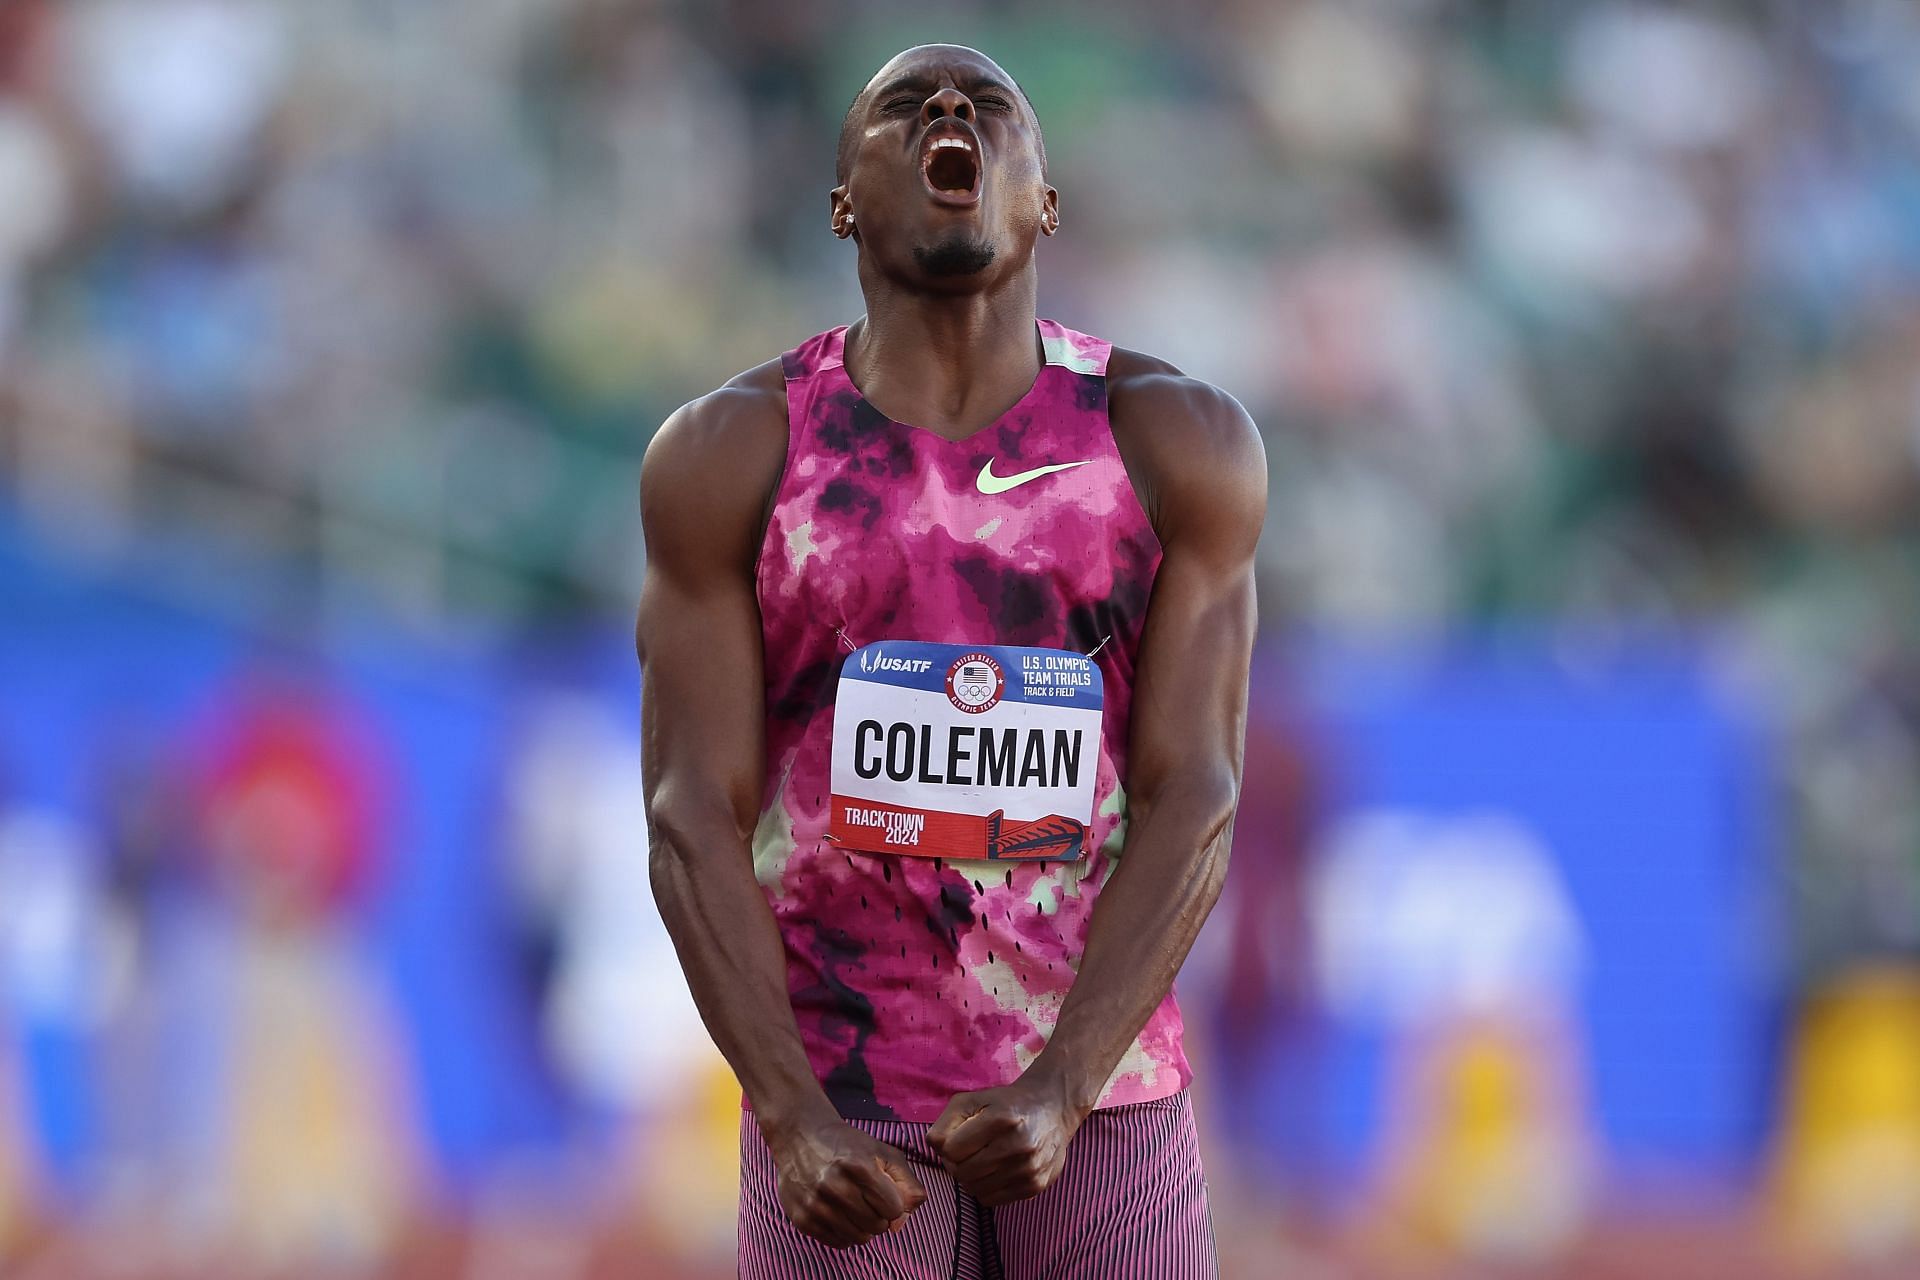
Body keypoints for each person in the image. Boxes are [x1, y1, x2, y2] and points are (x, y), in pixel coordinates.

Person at [638, 43, 1264, 1278]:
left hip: (1103, 1094)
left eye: (989, 105)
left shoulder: (1174, 442)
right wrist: (787, 1112)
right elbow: (688, 814)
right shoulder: (731, 457)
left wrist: (1067, 1081)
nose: (946, 110)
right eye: (902, 105)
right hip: (843, 1094)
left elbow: (1195, 788)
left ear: (1044, 199)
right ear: (841, 204)